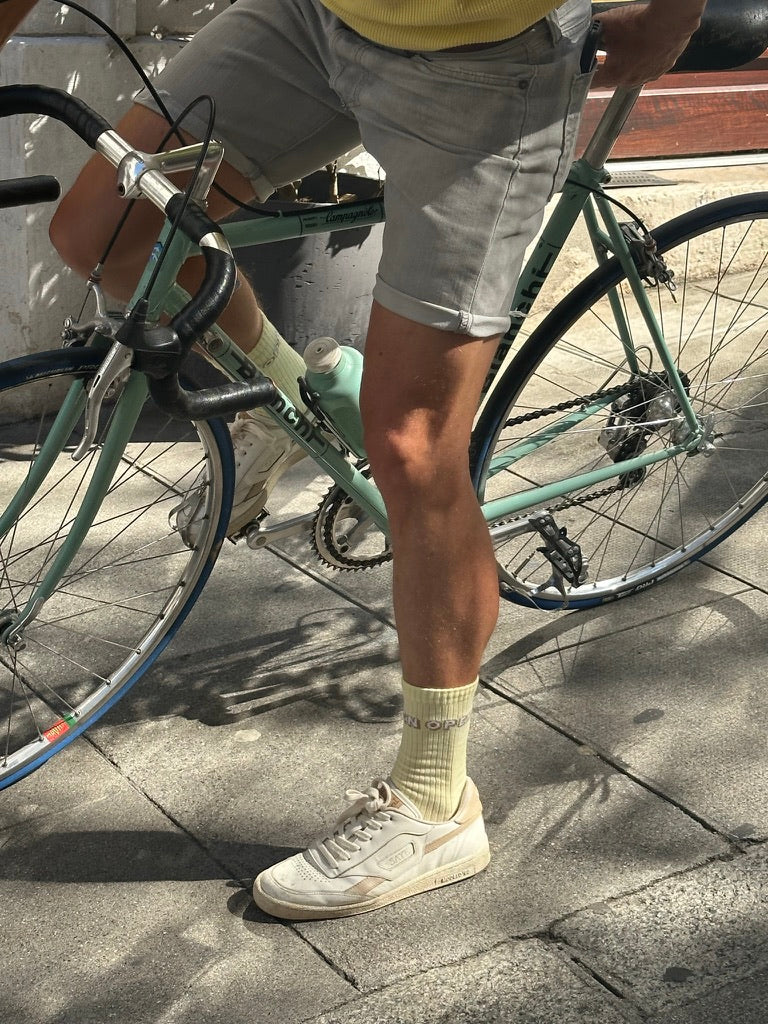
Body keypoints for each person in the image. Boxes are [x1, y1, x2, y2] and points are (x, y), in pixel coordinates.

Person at [0, 0, 705, 920]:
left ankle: (437, 801)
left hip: (488, 52)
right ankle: (286, 401)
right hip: (316, 13)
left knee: (413, 447)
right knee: (105, 229)